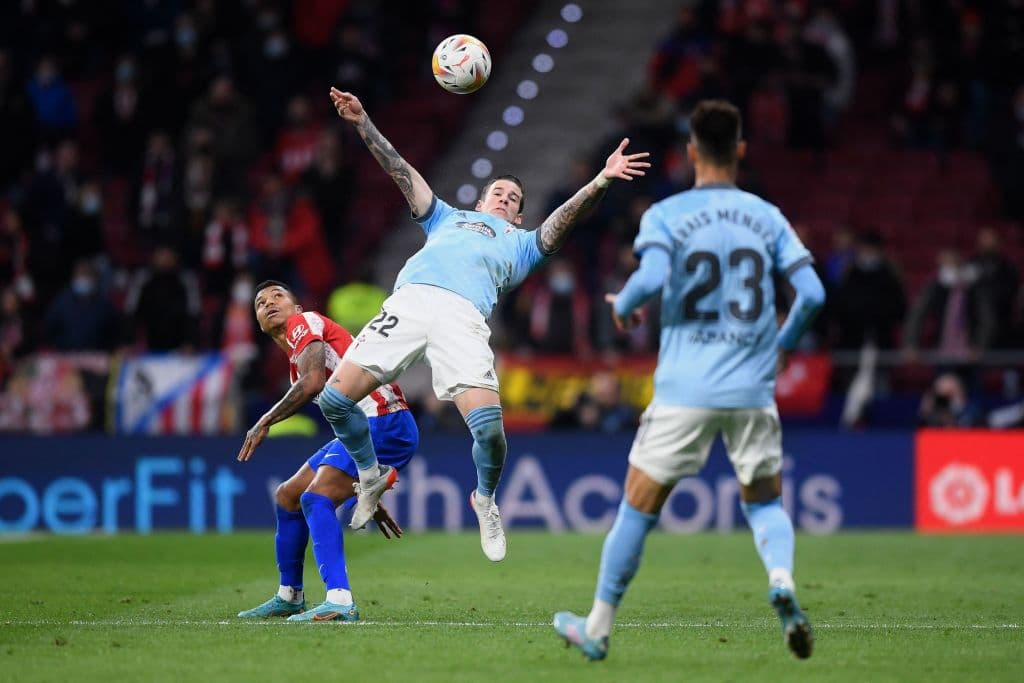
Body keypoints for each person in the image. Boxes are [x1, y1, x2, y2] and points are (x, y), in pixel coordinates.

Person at [323, 88, 649, 561]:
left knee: (491, 434)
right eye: (497, 191)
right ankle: (370, 474)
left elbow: (562, 220)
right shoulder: (445, 218)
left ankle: (485, 500)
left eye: (514, 198)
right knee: (335, 400)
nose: (505, 196)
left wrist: (601, 180)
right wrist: (362, 121)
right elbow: (401, 172)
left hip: (463, 318)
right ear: (479, 202)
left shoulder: (521, 243)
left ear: (517, 215)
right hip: (411, 301)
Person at [553, 100, 825, 661]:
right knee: (765, 503)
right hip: (752, 388)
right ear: (741, 151)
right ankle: (781, 580)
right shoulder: (768, 216)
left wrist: (623, 305)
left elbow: (649, 279)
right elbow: (815, 295)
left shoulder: (667, 214)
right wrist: (781, 346)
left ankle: (598, 627)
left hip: (684, 388)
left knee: (637, 507)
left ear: (692, 152)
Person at [235, 280, 418, 622]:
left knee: (314, 497)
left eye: (278, 296)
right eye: (260, 302)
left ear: (297, 308)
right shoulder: (296, 362)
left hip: (383, 420)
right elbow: (339, 416)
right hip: (363, 429)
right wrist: (367, 489)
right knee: (288, 495)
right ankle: (290, 596)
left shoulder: (305, 324)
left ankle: (340, 600)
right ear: (257, 321)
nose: (269, 303)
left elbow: (314, 383)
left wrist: (264, 421)